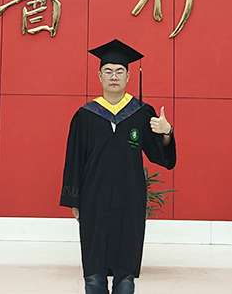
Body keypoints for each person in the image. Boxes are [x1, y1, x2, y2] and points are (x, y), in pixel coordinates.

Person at [60, 39, 176, 294]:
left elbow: (161, 157)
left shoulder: (141, 113)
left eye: (119, 71)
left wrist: (167, 133)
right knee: (94, 273)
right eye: (109, 71)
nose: (114, 76)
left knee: (126, 274)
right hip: (94, 200)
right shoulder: (85, 115)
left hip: (129, 199)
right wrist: (74, 200)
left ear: (128, 76)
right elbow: (74, 159)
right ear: (100, 76)